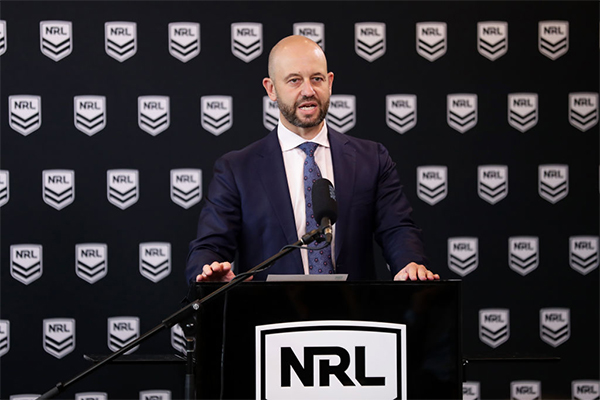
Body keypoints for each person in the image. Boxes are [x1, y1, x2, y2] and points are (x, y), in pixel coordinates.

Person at [186, 35, 439, 283]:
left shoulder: (371, 159)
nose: (308, 91)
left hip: (352, 308)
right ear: (271, 89)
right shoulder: (237, 169)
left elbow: (397, 228)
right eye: (294, 80)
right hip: (272, 310)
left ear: (330, 83)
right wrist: (208, 272)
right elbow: (210, 247)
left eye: (317, 79)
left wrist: (409, 264)